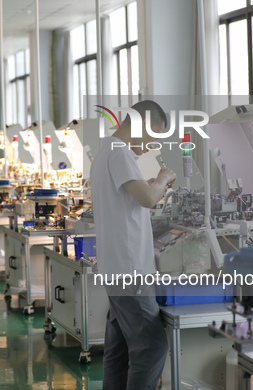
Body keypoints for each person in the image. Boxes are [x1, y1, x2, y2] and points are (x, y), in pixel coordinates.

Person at [90, 100, 176, 390]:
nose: (151, 144)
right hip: (130, 271)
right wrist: (163, 179)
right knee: (151, 348)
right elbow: (149, 199)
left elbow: (134, 197)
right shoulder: (120, 154)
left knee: (120, 349)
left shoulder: (107, 152)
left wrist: (151, 183)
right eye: (153, 136)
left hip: (116, 268)